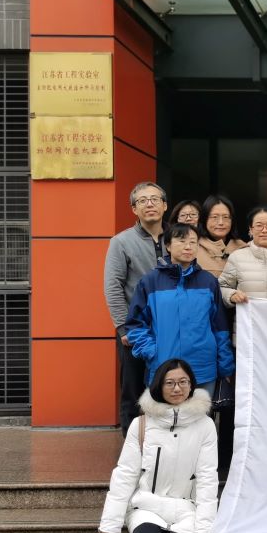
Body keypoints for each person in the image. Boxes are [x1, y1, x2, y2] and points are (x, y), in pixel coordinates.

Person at [98, 358, 218, 533]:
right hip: (147, 505)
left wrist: (205, 525)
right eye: (170, 383)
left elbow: (208, 478)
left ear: (191, 385)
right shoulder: (141, 424)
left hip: (183, 508)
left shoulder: (205, 425)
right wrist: (110, 524)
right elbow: (125, 475)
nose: (177, 388)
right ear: (158, 386)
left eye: (183, 382)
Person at [125, 223, 235, 391]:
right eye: (182, 241)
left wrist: (225, 365)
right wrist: (152, 352)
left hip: (203, 370)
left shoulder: (208, 281)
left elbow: (220, 328)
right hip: (163, 368)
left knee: (201, 409)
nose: (188, 247)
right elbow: (135, 325)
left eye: (193, 242)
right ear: (168, 246)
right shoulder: (150, 282)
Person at [103, 182, 167, 435]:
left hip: (170, 327)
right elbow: (113, 286)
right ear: (134, 209)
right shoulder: (121, 242)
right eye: (142, 201)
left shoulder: (177, 238)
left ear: (165, 205)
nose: (149, 204)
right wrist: (123, 327)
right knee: (133, 391)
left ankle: (163, 443)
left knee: (167, 385)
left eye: (155, 199)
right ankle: (132, 446)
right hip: (136, 331)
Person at [196, 195, 246, 278]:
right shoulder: (193, 248)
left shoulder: (243, 249)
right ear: (204, 219)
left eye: (226, 217)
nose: (221, 222)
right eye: (214, 217)